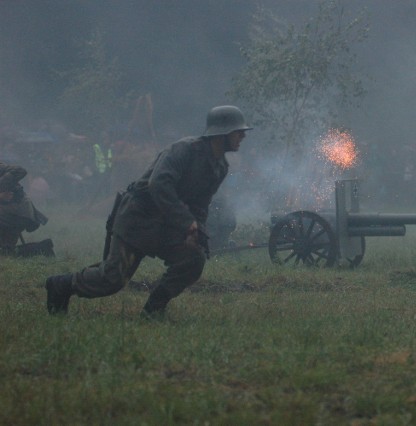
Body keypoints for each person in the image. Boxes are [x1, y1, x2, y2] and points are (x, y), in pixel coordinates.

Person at [45, 105, 252, 317]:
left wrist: (196, 231)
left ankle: (153, 310)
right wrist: (185, 221)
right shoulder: (183, 150)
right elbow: (158, 185)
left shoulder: (219, 167)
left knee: (193, 259)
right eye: (238, 132)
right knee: (111, 279)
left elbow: (200, 204)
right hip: (138, 217)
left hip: (168, 224)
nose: (243, 136)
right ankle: (62, 284)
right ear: (222, 133)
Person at [0, 161, 53, 256]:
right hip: (9, 213)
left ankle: (41, 250)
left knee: (7, 252)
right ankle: (41, 249)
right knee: (6, 252)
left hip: (18, 213)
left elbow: (20, 171)